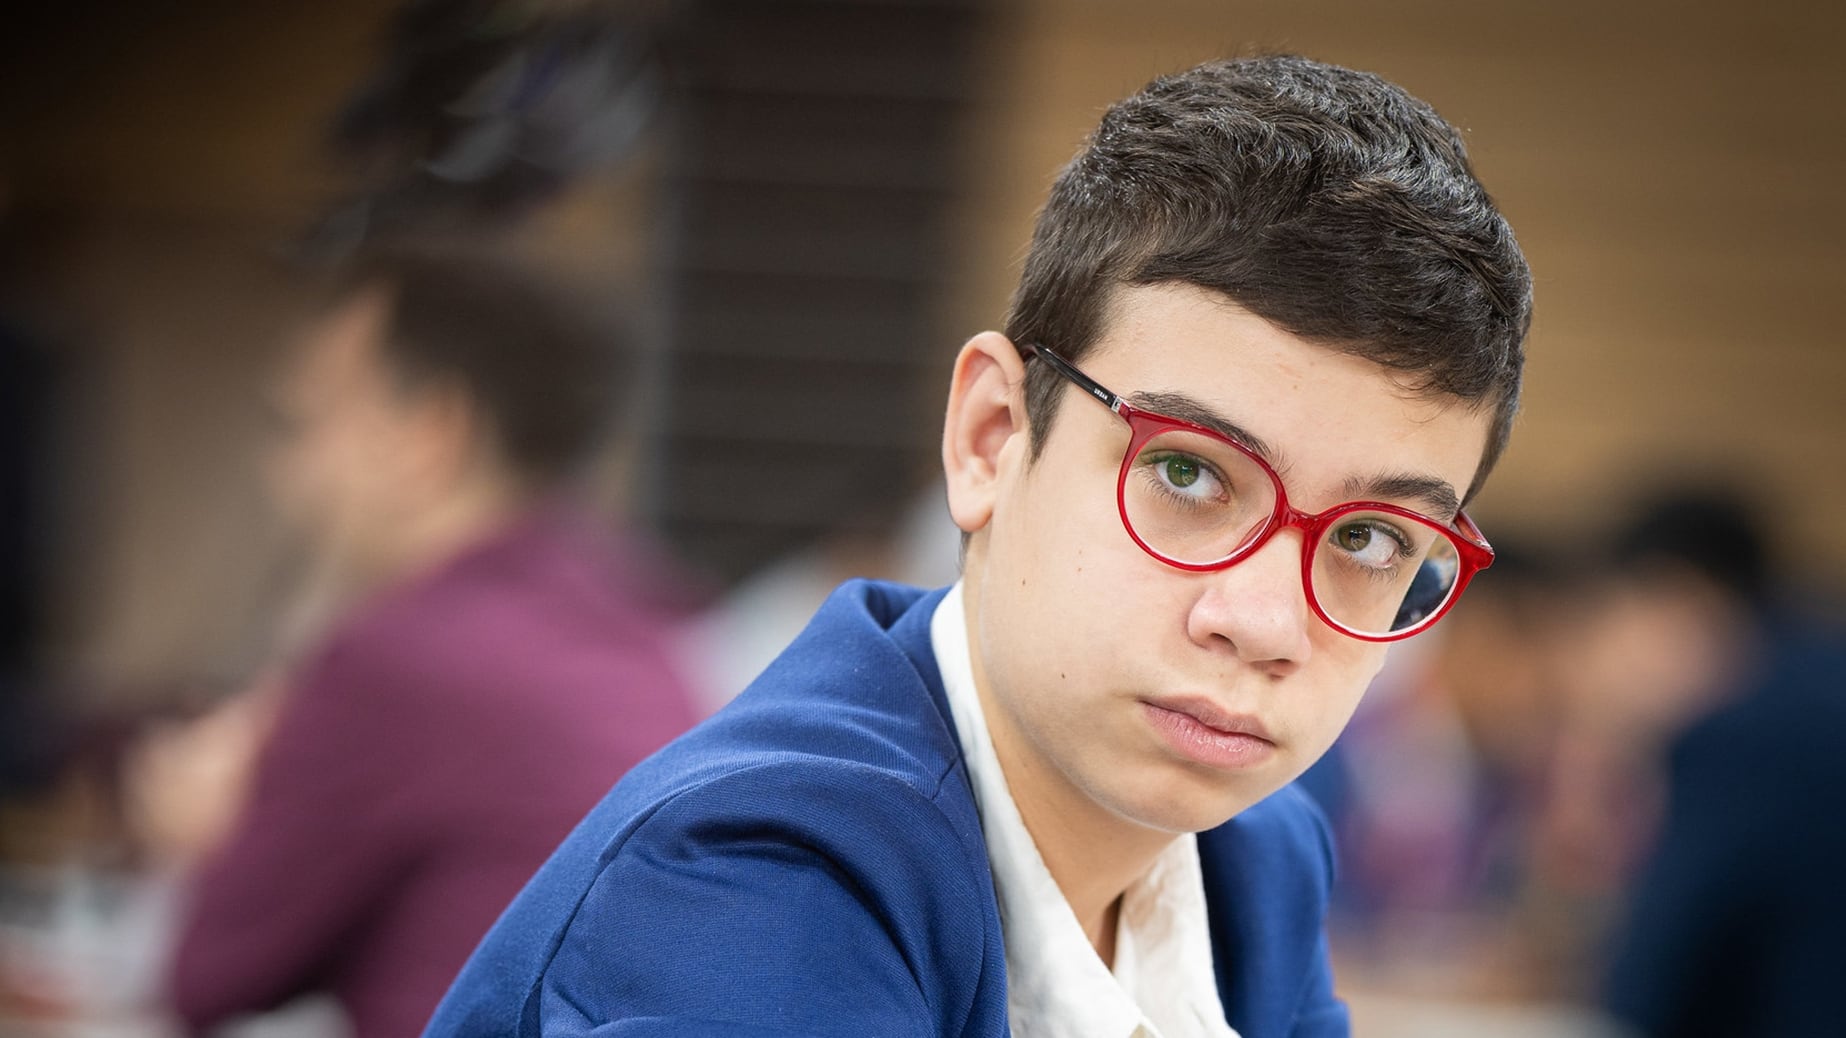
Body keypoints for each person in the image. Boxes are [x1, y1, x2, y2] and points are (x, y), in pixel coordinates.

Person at [427, 54, 1531, 1038]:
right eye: (1189, 474)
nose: (1265, 623)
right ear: (991, 436)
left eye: (1372, 538)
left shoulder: (1252, 858)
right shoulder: (761, 879)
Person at [149, 247, 702, 1038]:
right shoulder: (644, 622)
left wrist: (214, 826)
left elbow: (205, 982)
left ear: (427, 433)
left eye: (309, 424)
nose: (289, 474)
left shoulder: (401, 659)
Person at [1597, 487, 1846, 1038]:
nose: (1611, 666)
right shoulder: (1820, 675)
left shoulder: (1743, 736)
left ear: (1678, 593)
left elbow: (1648, 983)